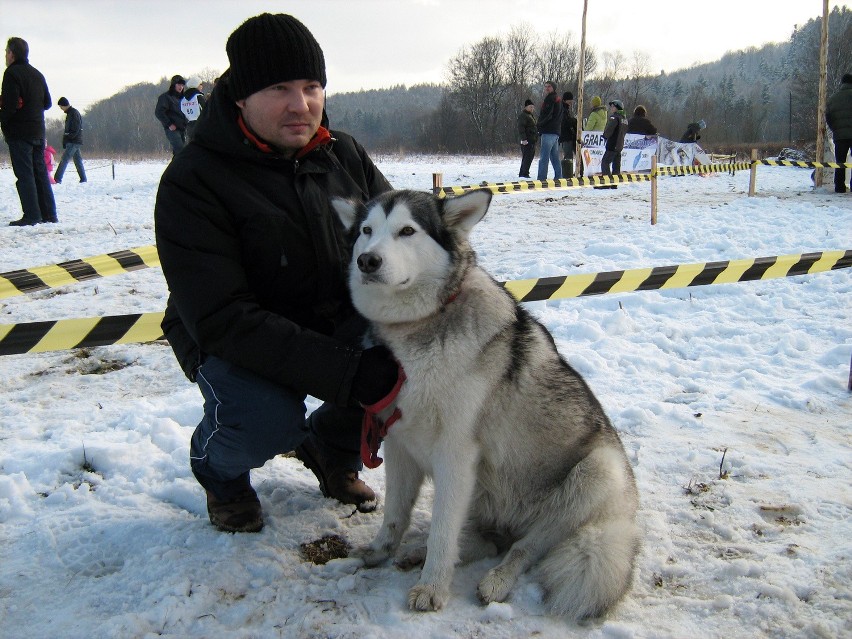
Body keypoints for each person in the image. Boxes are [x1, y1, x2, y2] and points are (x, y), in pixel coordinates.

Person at [155, 13, 400, 534]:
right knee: (264, 420)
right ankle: (219, 473)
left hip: (330, 314)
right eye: (279, 88)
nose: (302, 104)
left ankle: (332, 450)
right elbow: (222, 317)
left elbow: (407, 247)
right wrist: (348, 371)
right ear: (240, 96)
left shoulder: (345, 154)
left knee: (410, 354)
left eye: (312, 86)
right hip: (230, 332)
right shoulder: (194, 180)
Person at [1, 37, 58, 226]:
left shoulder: (11, 74)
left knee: (25, 175)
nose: (5, 56)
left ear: (12, 53)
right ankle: (49, 214)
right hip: (38, 131)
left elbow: (9, 105)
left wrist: (4, 123)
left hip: (19, 133)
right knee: (40, 173)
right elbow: (48, 103)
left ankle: (32, 215)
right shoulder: (37, 74)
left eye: (6, 52)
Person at [825, 72, 852, 193]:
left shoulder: (833, 98)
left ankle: (839, 186)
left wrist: (835, 129)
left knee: (840, 161)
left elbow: (828, 116)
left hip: (839, 135)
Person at [54, 96, 87, 183]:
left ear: (64, 105)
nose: (61, 108)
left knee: (64, 159)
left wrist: (69, 138)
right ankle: (83, 179)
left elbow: (75, 129)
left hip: (74, 141)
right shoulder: (70, 113)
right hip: (74, 141)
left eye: (60, 106)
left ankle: (57, 179)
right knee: (77, 161)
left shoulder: (73, 113)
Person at [154, 74, 188, 154]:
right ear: (173, 85)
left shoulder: (184, 98)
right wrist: (169, 124)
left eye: (182, 85)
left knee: (179, 153)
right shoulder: (165, 97)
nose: (181, 87)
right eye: (179, 84)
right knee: (180, 150)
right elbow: (159, 112)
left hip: (183, 128)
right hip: (172, 129)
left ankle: (177, 166)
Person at [536, 80, 562, 181]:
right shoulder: (557, 99)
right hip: (555, 131)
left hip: (548, 131)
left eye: (549, 87)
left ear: (553, 88)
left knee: (544, 157)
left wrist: (539, 125)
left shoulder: (550, 99)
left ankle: (541, 178)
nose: (547, 88)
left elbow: (547, 115)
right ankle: (559, 176)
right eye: (546, 86)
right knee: (554, 156)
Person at [600, 99, 628, 189]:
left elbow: (609, 129)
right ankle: (614, 183)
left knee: (605, 162)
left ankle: (606, 183)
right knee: (616, 164)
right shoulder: (624, 119)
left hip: (612, 144)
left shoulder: (614, 118)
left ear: (617, 108)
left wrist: (605, 136)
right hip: (620, 145)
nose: (611, 108)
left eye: (613, 106)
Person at [517, 98, 537, 178]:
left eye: (533, 107)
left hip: (532, 139)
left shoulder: (530, 116)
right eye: (530, 107)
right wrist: (524, 139)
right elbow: (521, 128)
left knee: (529, 157)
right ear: (526, 107)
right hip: (527, 140)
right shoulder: (523, 116)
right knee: (527, 157)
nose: (532, 108)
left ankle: (524, 172)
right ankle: (524, 173)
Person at [560, 91, 578, 178]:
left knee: (569, 155)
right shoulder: (562, 110)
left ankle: (569, 173)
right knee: (568, 156)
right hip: (565, 136)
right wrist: (574, 121)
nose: (571, 102)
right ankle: (567, 175)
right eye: (569, 100)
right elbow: (565, 122)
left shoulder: (566, 109)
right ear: (565, 100)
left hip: (568, 136)